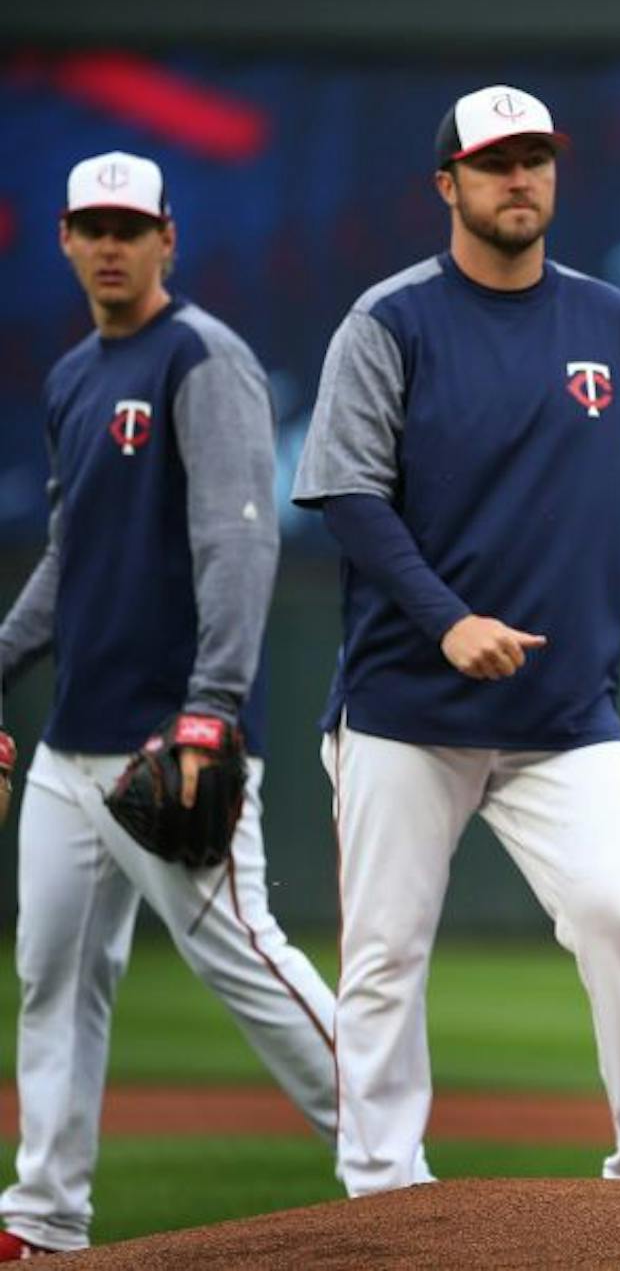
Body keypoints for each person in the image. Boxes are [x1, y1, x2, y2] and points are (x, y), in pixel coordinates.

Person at [291, 85, 620, 1195]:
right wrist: (447, 622)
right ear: (447, 183)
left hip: (565, 713)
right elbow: (349, 494)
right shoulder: (390, 321)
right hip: (406, 707)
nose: (518, 178)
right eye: (495, 162)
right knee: (386, 952)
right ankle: (382, 1186)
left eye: (535, 158)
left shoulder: (611, 324)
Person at [0, 152, 338, 1253]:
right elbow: (70, 556)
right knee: (53, 977)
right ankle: (45, 1216)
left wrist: (212, 705)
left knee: (246, 960)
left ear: (166, 238)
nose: (112, 245)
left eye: (130, 227)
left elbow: (239, 539)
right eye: (93, 227)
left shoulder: (202, 357)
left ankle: (399, 1166)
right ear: (64, 238)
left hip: (171, 736)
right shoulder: (72, 377)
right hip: (71, 746)